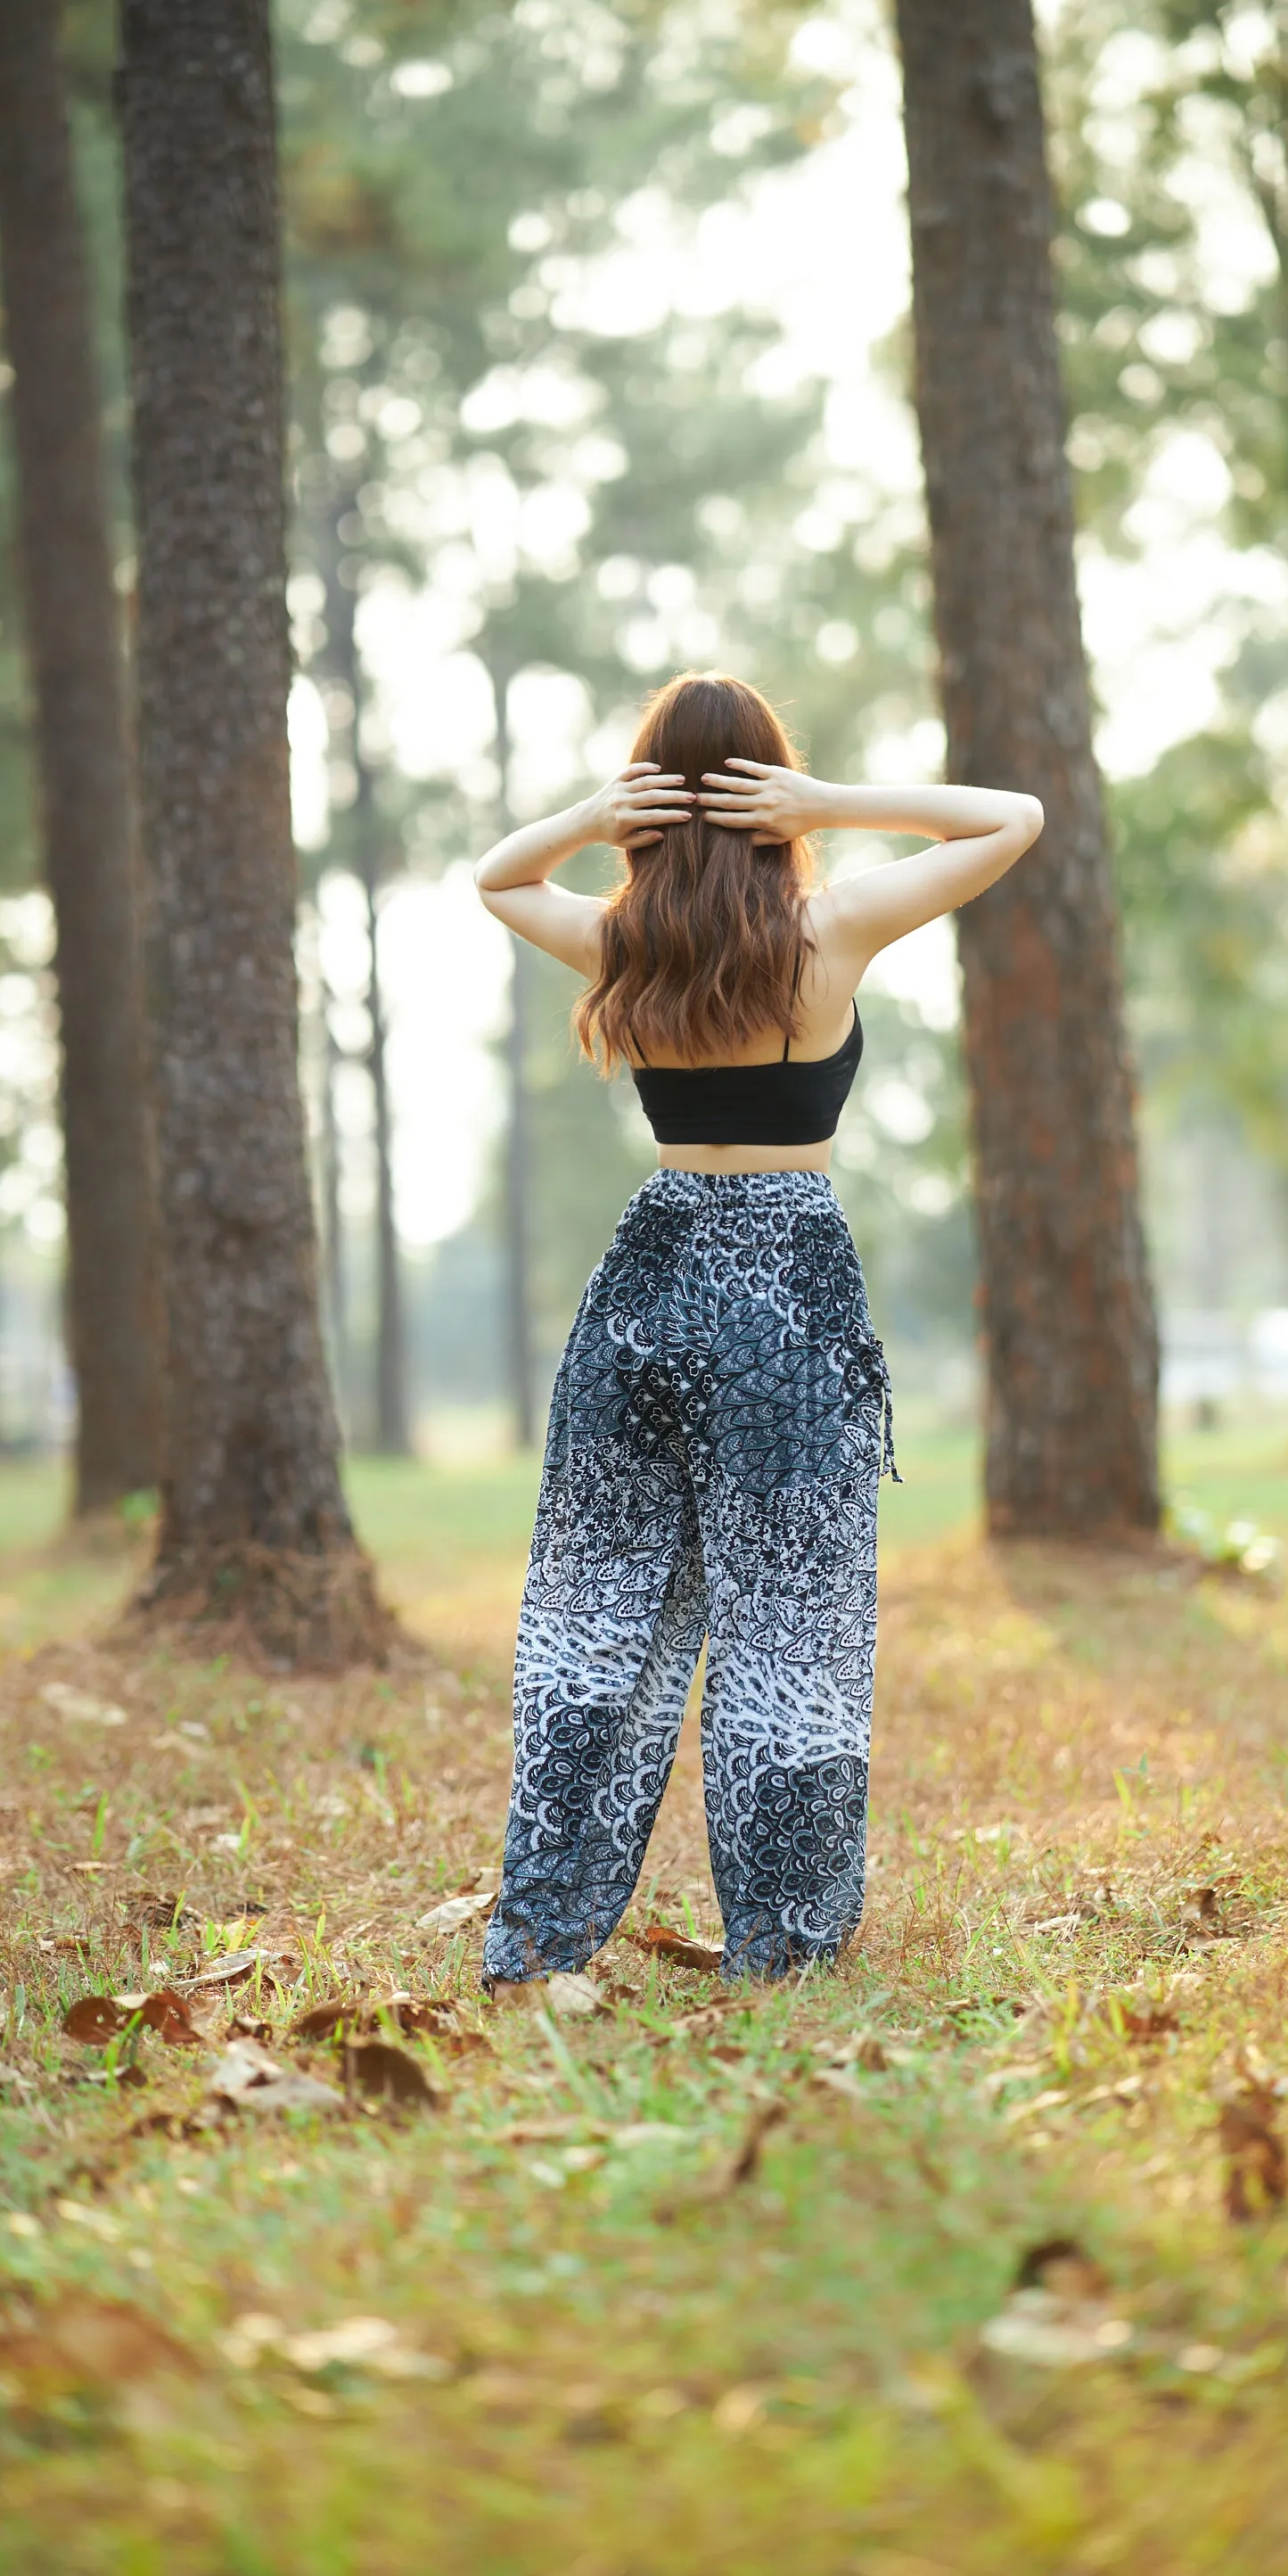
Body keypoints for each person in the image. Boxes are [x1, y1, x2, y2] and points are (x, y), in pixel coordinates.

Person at [473, 671, 1042, 1986]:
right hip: (787, 1296)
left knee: (595, 1612)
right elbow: (1010, 819)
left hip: (650, 1286)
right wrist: (831, 802)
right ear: (770, 791)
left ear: (648, 807)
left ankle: (541, 1932)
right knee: (792, 1626)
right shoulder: (828, 930)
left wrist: (588, 820)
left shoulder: (627, 942)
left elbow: (498, 882)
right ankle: (782, 1944)